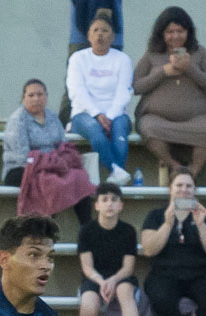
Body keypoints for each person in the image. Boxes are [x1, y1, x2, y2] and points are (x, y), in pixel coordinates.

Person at [140, 168, 206, 316]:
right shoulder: (156, 215)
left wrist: (201, 224)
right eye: (179, 185)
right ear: (170, 189)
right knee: (161, 298)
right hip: (164, 273)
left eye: (189, 186)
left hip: (199, 273)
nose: (184, 190)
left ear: (194, 190)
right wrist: (167, 224)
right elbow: (149, 249)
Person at [133, 6, 206, 179]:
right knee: (148, 128)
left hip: (196, 118)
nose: (175, 36)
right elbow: (135, 86)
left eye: (180, 31)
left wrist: (190, 68)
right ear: (161, 33)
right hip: (158, 119)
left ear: (189, 32)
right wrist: (163, 72)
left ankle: (192, 173)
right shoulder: (152, 54)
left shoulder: (199, 52)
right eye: (169, 31)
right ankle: (177, 168)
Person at [3, 78, 95, 225]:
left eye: (40, 94)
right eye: (31, 95)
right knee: (51, 182)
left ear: (46, 97)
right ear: (23, 98)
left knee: (79, 177)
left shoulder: (52, 117)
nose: (36, 99)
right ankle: (46, 231)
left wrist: (60, 160)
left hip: (52, 165)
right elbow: (22, 157)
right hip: (22, 169)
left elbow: (63, 144)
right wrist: (51, 162)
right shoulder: (17, 120)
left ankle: (87, 228)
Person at [66, 11, 134, 185]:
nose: (100, 34)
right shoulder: (78, 59)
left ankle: (115, 176)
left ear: (112, 36)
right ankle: (117, 172)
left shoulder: (122, 60)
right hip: (84, 113)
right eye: (95, 30)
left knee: (120, 133)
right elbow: (77, 91)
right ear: (88, 36)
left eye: (105, 30)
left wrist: (109, 117)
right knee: (95, 133)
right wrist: (97, 114)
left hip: (116, 113)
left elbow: (123, 92)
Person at [77, 181, 142, 316]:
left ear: (121, 205)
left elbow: (128, 267)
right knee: (89, 308)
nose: (109, 204)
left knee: (124, 290)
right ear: (97, 205)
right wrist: (102, 282)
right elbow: (87, 267)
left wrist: (113, 280)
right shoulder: (86, 230)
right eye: (104, 200)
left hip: (120, 276)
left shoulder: (128, 231)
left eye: (114, 200)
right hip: (94, 278)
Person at [59, 1, 124, 124]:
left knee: (113, 87)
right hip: (81, 34)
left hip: (110, 32)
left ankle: (111, 124)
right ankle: (61, 135)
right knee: (73, 88)